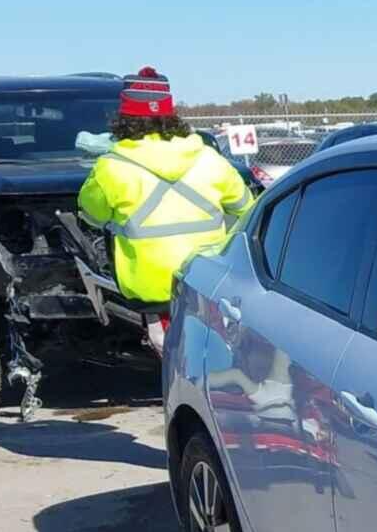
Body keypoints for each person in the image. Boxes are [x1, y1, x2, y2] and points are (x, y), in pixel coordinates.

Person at [78, 67, 254, 351]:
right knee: (210, 353)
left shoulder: (110, 167)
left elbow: (90, 213)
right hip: (208, 279)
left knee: (173, 355)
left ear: (124, 118)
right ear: (171, 116)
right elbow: (246, 208)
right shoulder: (211, 160)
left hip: (151, 286)